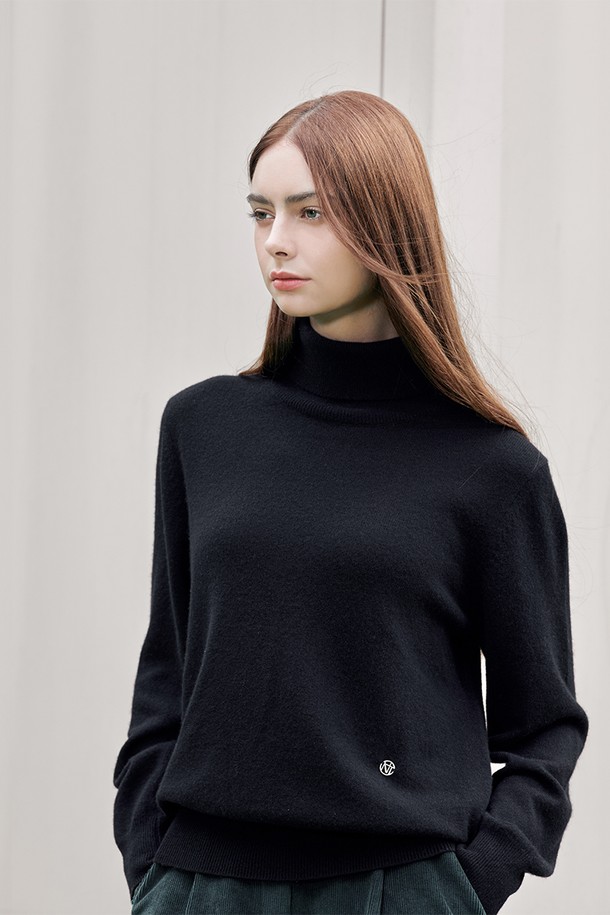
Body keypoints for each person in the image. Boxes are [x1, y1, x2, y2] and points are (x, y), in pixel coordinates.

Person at [112, 90, 589, 915]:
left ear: (385, 223)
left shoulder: (493, 469)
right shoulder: (203, 427)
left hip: (397, 886)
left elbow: (545, 727)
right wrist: (151, 863)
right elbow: (167, 679)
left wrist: (465, 887)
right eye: (261, 212)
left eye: (311, 212)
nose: (276, 241)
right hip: (201, 883)